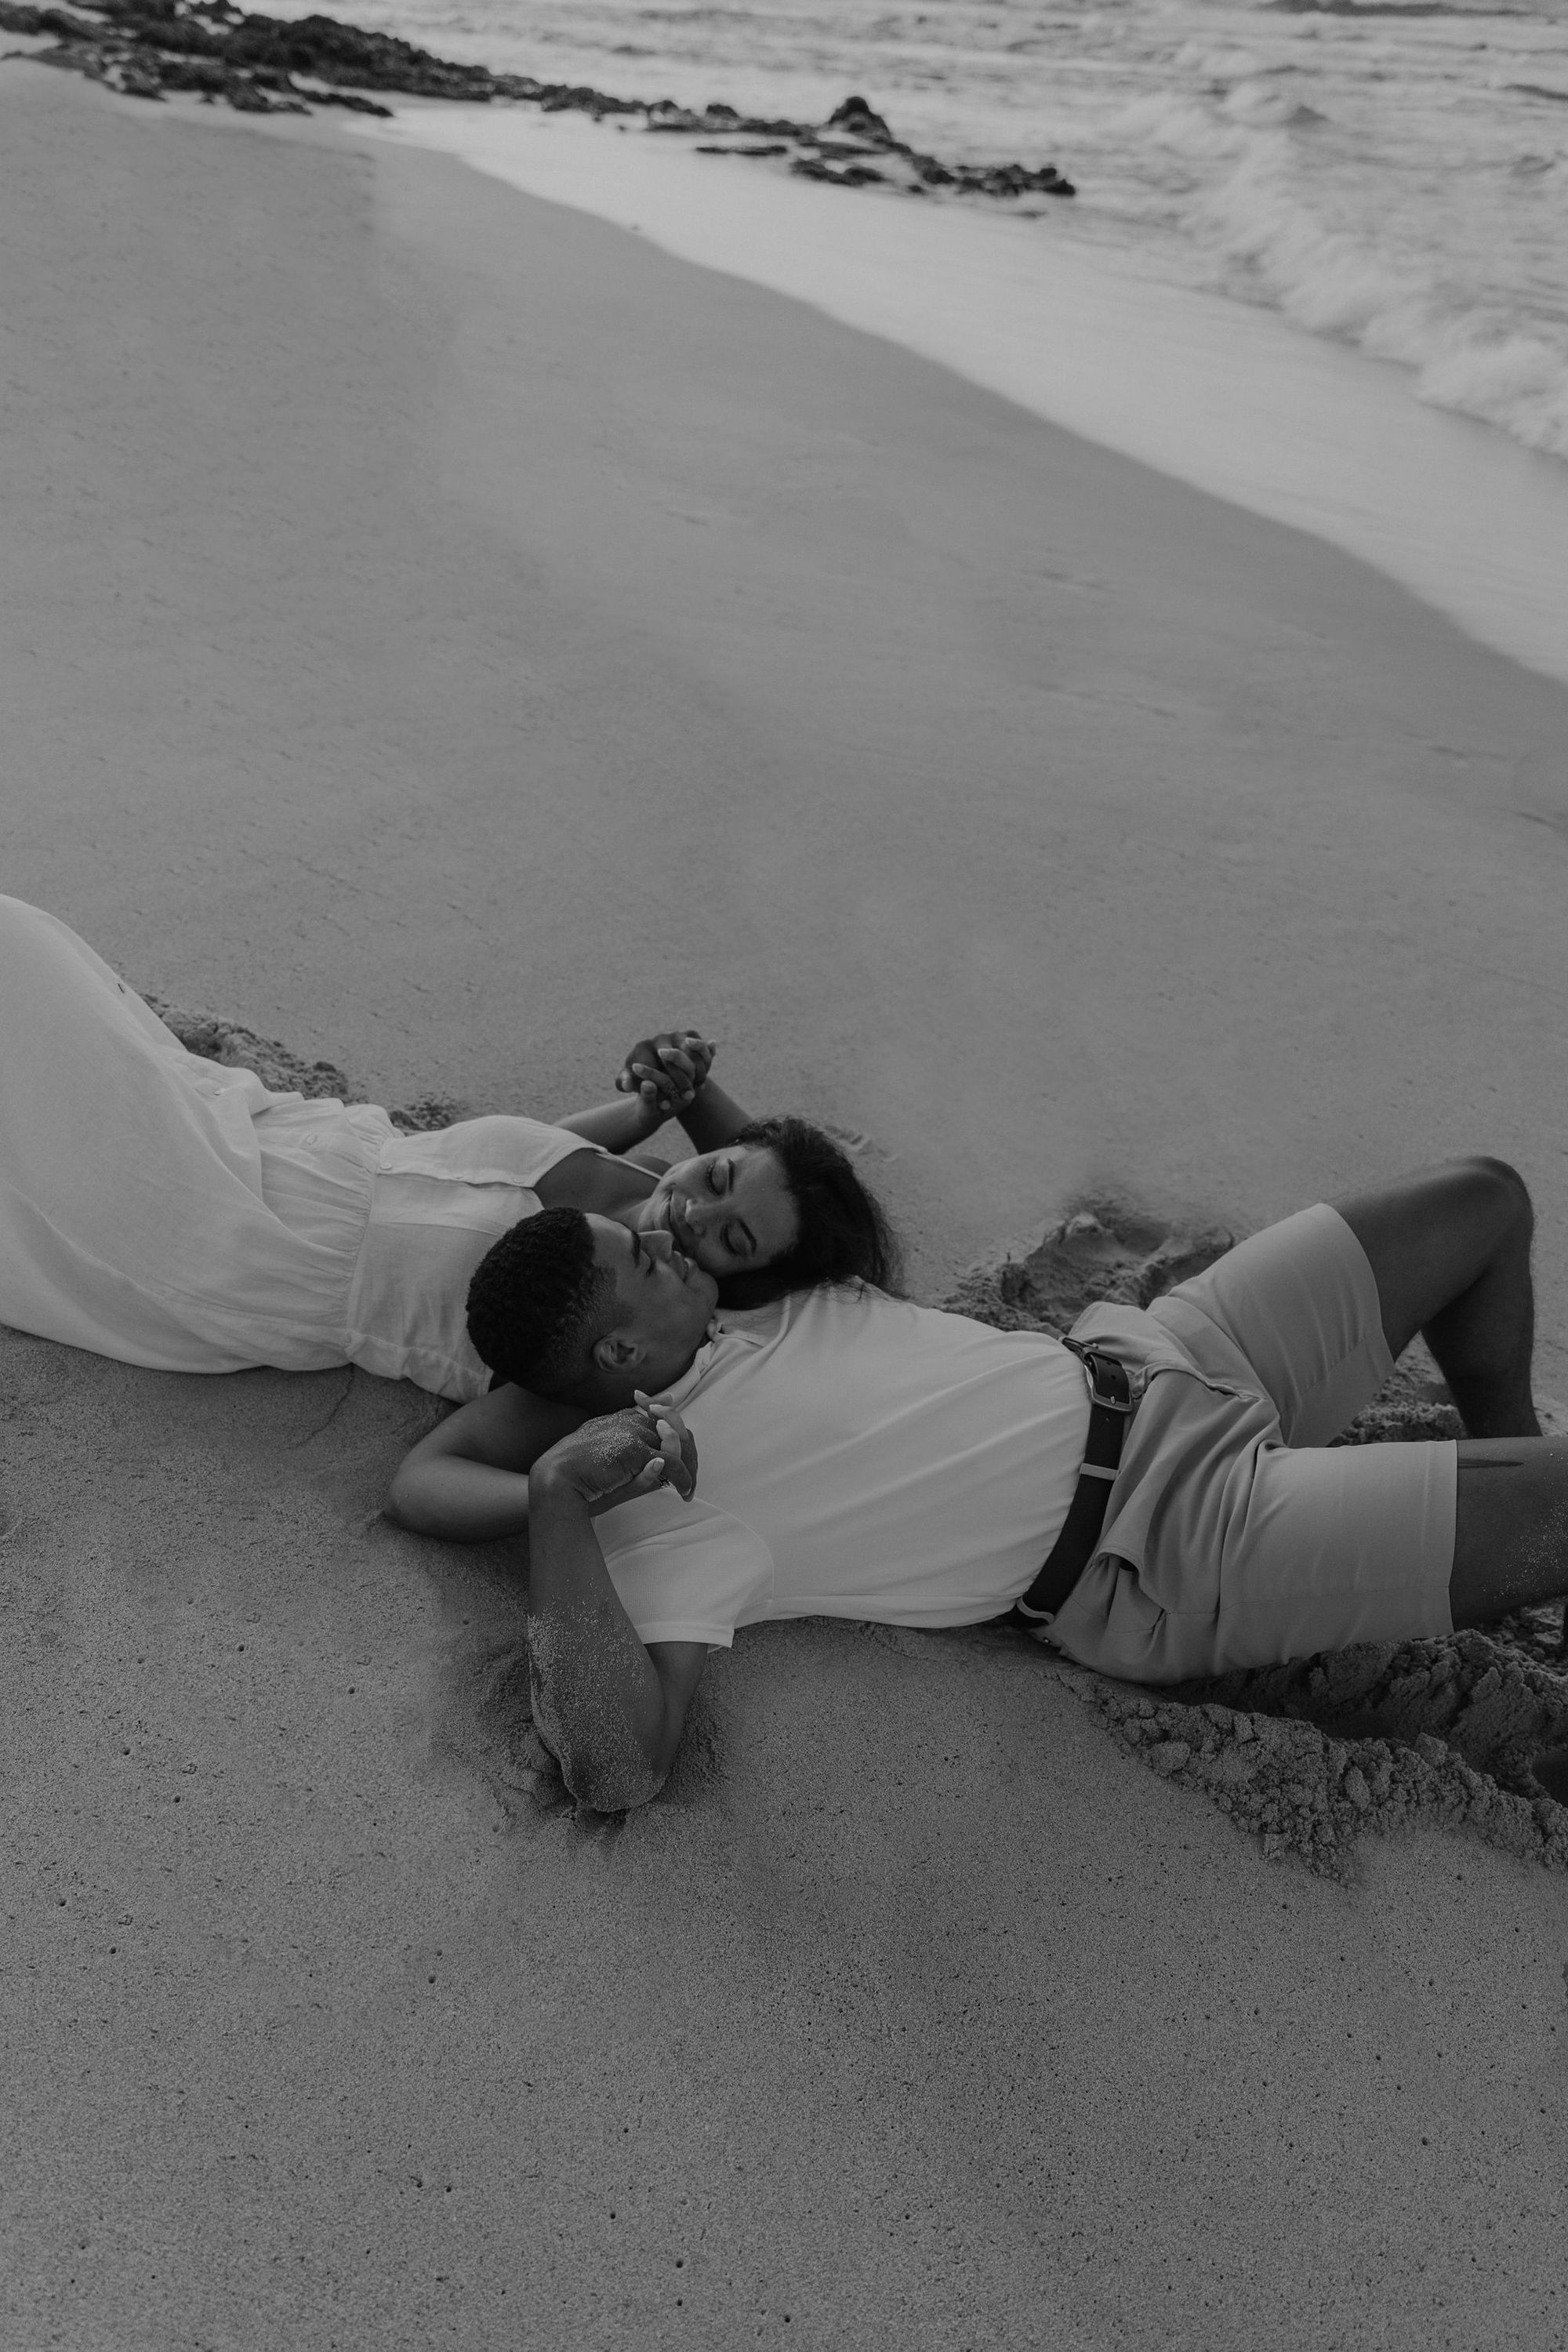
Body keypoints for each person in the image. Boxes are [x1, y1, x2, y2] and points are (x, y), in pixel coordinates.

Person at [388, 1155, 1567, 1812]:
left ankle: (1511, 1505)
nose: (667, 1229)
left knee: (1483, 1200)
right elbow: (618, 1770)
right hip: (1169, 1542)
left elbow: (774, 1181)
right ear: (617, 1359)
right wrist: (560, 1495)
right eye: (645, 1255)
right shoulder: (674, 1502)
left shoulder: (754, 1297)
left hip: (1162, 1352)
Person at [0, 895, 895, 1399]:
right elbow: (519, 1160)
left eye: (727, 1238)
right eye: (717, 1176)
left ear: (743, 1281)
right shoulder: (650, 1182)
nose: (693, 1210)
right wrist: (662, 1097)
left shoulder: (621, 1322)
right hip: (266, 1129)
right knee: (32, 950)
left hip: (240, 1238)